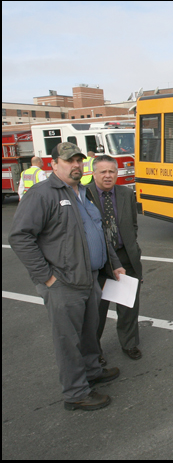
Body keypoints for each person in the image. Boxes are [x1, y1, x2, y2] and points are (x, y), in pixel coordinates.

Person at [9, 142, 125, 412]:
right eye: (69, 161)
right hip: (63, 284)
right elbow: (20, 238)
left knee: (88, 335)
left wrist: (114, 264)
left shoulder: (83, 192)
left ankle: (92, 371)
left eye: (78, 160)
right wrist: (47, 277)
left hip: (90, 279)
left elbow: (97, 234)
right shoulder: (42, 194)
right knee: (68, 341)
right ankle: (76, 393)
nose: (76, 165)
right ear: (54, 164)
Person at [87, 155, 144, 362]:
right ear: (94, 173)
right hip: (99, 259)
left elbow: (132, 225)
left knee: (128, 305)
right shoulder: (84, 195)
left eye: (112, 171)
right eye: (103, 172)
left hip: (125, 256)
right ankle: (94, 352)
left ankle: (129, 343)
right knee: (97, 310)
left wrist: (132, 248)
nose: (108, 176)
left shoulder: (126, 194)